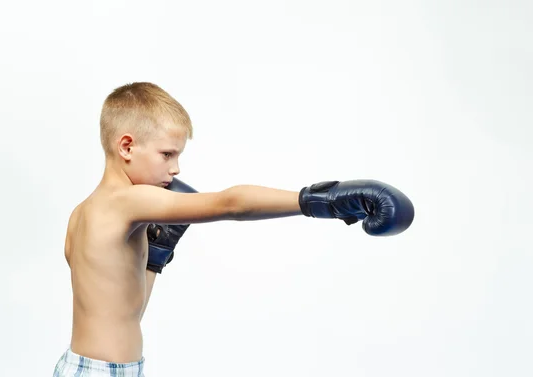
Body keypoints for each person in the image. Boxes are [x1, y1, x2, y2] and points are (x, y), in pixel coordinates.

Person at [52, 82, 415, 377]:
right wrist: (320, 201)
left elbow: (125, 314)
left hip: (101, 367)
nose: (176, 169)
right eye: (167, 154)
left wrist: (155, 259)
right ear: (127, 146)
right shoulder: (127, 202)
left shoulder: (81, 214)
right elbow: (230, 203)